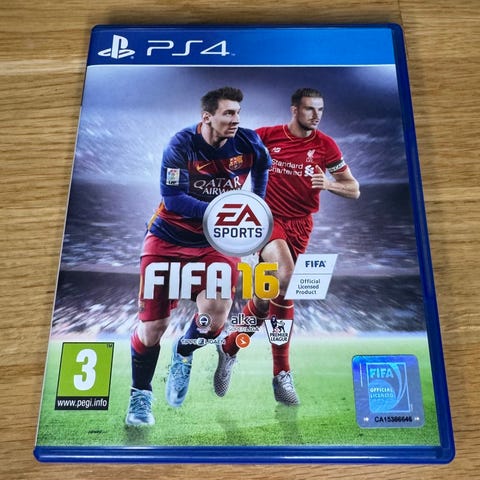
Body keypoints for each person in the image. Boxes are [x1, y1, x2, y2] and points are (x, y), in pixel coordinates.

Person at [125, 86, 271, 426]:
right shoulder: (181, 145)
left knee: (214, 320)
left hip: (215, 243)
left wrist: (257, 205)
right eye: (228, 113)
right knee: (152, 329)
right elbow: (173, 199)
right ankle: (140, 396)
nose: (236, 119)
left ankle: (183, 352)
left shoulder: (248, 143)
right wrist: (224, 211)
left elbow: (263, 166)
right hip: (168, 238)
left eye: (238, 113)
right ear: (207, 117)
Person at [214, 87, 360, 405]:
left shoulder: (326, 146)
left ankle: (228, 347)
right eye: (309, 109)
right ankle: (282, 374)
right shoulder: (267, 136)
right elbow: (229, 152)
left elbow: (354, 189)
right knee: (287, 278)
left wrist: (329, 184)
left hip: (301, 227)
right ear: (294, 110)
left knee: (265, 301)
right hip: (267, 220)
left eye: (320, 110)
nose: (316, 115)